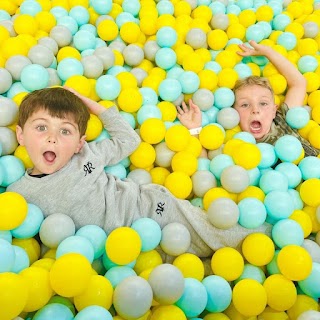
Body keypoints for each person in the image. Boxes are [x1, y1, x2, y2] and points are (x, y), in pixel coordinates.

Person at [7, 87, 271, 258]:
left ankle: (293, 245)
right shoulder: (19, 194)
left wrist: (87, 103)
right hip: (125, 249)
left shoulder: (86, 156)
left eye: (65, 131)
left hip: (152, 208)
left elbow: (128, 141)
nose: (52, 139)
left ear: (79, 142)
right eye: (41, 128)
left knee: (230, 238)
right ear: (20, 135)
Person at [178, 40, 319, 157]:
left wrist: (268, 52)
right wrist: (194, 130)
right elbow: (208, 165)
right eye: (245, 105)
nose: (255, 110)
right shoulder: (237, 145)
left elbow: (299, 83)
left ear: (274, 110)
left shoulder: (283, 120)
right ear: (234, 113)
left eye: (263, 103)